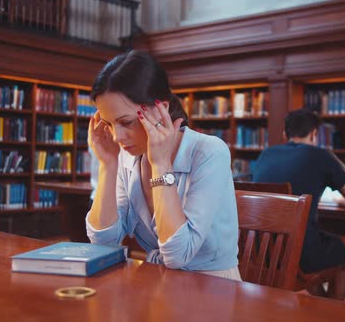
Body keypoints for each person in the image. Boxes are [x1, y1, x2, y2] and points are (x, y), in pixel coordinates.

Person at [85, 50, 241, 280]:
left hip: (213, 288)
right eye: (108, 124)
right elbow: (103, 241)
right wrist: (108, 165)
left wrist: (160, 164)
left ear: (161, 109)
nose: (116, 137)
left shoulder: (209, 152)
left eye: (126, 122)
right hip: (159, 283)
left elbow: (178, 255)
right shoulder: (128, 156)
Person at [252, 109, 345, 300]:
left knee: (314, 245)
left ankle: (321, 308)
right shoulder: (320, 155)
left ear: (285, 135)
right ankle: (331, 312)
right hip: (298, 255)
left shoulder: (266, 154)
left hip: (260, 250)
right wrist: (342, 200)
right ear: (315, 134)